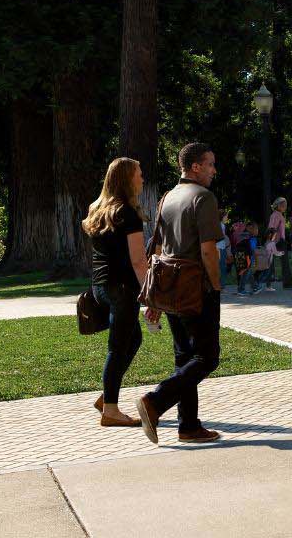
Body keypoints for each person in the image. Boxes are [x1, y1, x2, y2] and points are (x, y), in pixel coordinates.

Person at [135, 142, 225, 446]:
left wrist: (154, 297)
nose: (214, 170)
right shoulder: (204, 197)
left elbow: (158, 249)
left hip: (171, 287)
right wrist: (216, 285)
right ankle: (155, 401)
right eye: (210, 164)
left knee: (185, 357)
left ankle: (188, 426)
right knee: (208, 357)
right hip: (197, 288)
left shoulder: (167, 198)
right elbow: (208, 251)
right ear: (195, 166)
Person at [83, 156, 153, 430]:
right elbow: (138, 259)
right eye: (138, 173)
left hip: (100, 286)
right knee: (118, 347)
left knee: (133, 339)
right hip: (122, 289)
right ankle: (111, 410)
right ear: (127, 179)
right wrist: (149, 293)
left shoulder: (98, 208)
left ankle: (106, 397)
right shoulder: (127, 212)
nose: (142, 178)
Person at [266, 196, 292, 289]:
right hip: (278, 241)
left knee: (271, 262)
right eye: (284, 205)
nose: (285, 206)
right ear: (279, 205)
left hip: (277, 240)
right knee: (284, 262)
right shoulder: (276, 215)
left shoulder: (278, 214)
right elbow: (272, 228)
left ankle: (268, 283)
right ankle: (287, 283)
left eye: (286, 205)